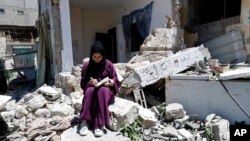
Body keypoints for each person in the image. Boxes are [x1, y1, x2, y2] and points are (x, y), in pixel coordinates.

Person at [79, 41, 120, 137]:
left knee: (102, 91)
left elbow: (115, 78)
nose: (97, 59)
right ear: (91, 56)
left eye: (99, 57)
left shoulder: (108, 64)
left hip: (106, 90)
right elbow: (82, 83)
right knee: (90, 91)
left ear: (103, 56)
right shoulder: (87, 66)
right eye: (94, 57)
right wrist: (89, 83)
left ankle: (99, 124)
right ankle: (84, 121)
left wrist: (112, 82)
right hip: (92, 89)